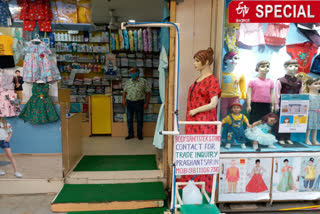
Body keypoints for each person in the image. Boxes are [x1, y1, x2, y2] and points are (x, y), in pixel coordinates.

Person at [122, 67, 151, 140]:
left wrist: (146, 103)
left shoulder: (143, 81)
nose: (131, 73)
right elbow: (125, 92)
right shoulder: (128, 81)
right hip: (129, 102)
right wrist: (123, 99)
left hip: (139, 102)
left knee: (139, 119)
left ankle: (139, 135)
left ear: (137, 72)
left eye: (132, 71)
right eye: (130, 72)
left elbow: (148, 93)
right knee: (129, 119)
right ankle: (130, 134)